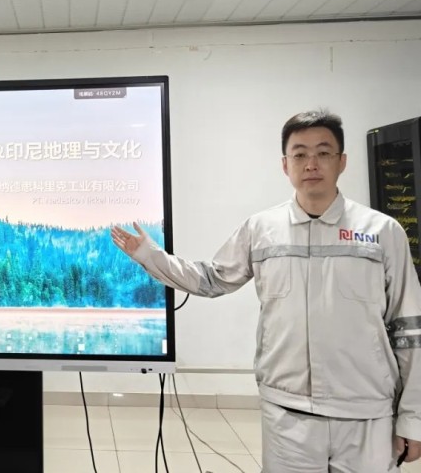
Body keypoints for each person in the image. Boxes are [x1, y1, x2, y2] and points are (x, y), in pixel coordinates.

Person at [111, 110, 421, 472]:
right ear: (285, 165)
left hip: (367, 412)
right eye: (299, 154)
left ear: (342, 161)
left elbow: (410, 329)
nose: (311, 164)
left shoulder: (382, 232)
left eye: (323, 152)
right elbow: (210, 279)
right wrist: (150, 255)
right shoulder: (261, 229)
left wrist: (413, 418)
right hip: (287, 413)